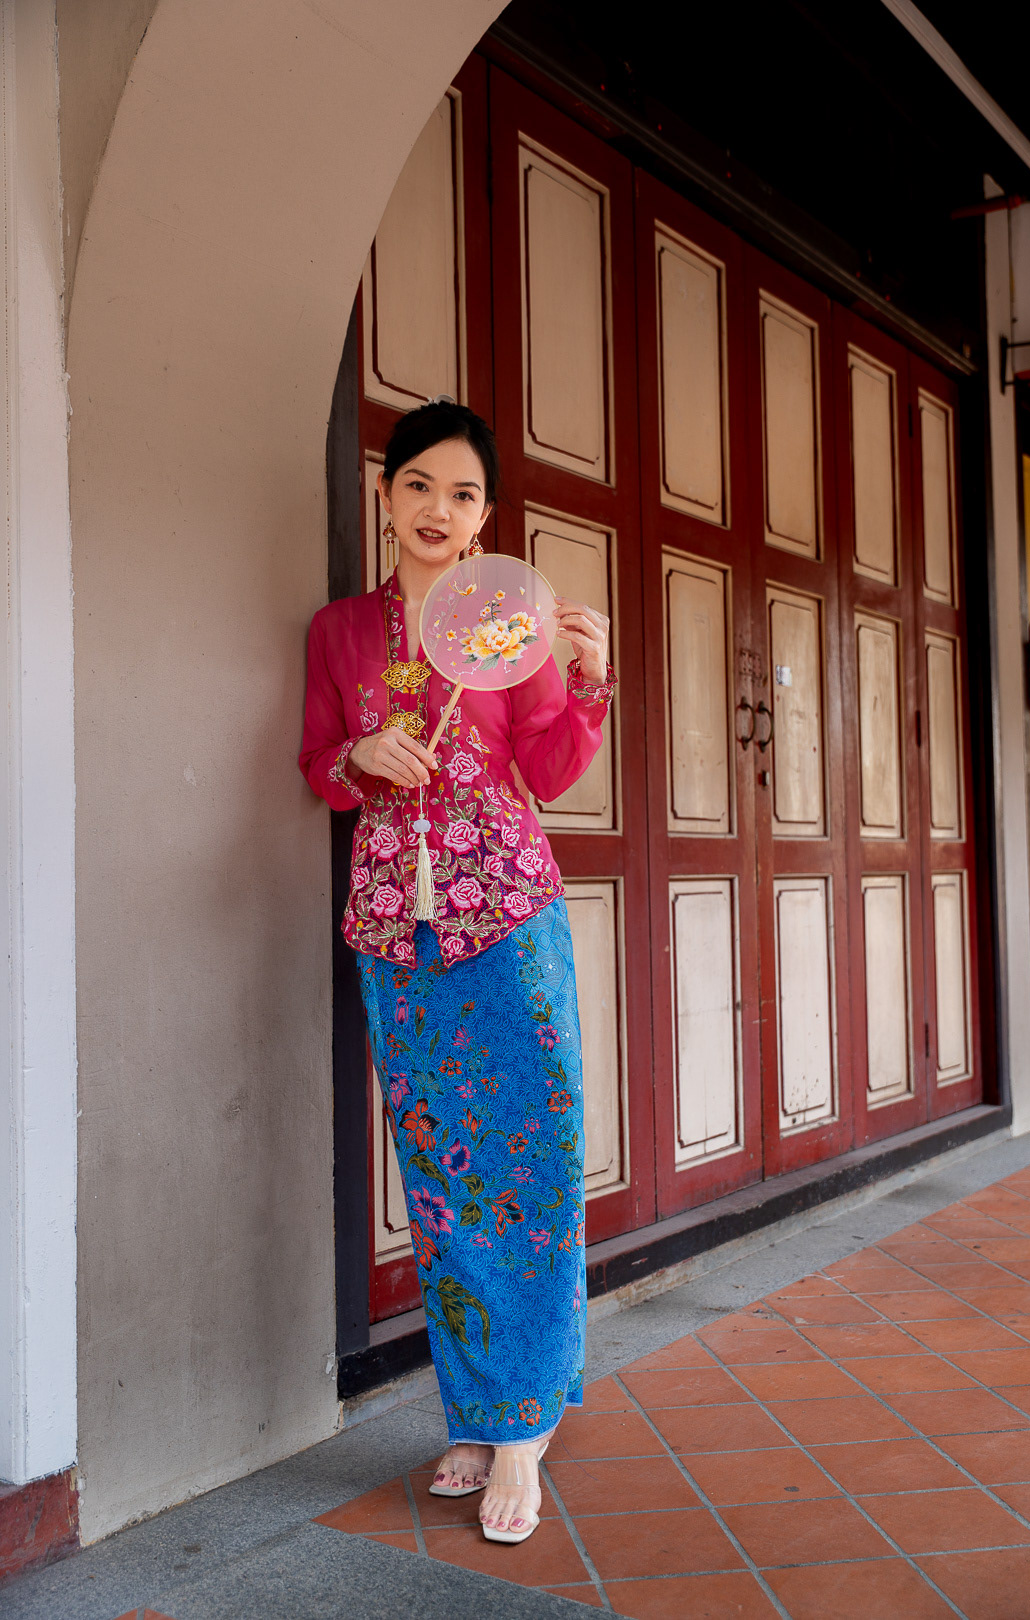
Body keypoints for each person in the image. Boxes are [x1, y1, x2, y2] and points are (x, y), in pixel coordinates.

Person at [299, 400, 616, 1544]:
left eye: (465, 493)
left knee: (532, 1154)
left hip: (509, 910)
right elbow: (317, 766)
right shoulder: (341, 632)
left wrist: (588, 677)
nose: (441, 509)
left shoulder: (506, 621)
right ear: (386, 496)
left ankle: (525, 1423)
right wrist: (358, 753)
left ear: (488, 516)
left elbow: (549, 768)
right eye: (421, 485)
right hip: (397, 921)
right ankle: (479, 1412)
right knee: (443, 1175)